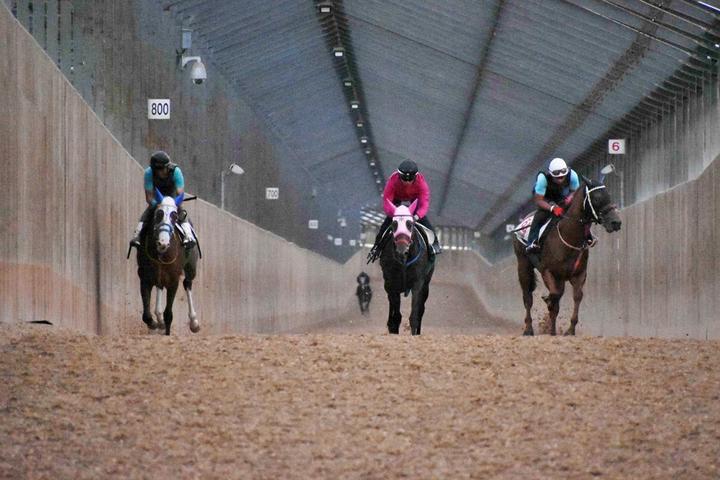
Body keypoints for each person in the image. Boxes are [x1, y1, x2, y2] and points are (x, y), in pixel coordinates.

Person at [369, 160, 441, 259]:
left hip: (414, 200)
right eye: (404, 179)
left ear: (415, 177)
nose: (407, 182)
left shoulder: (421, 183)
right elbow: (387, 202)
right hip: (396, 199)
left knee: (425, 222)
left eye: (410, 180)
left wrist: (417, 216)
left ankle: (435, 244)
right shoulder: (392, 181)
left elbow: (424, 205)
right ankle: (377, 247)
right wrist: (394, 214)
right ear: (399, 176)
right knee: (386, 224)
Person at [129, 150, 196, 249]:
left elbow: (180, 193)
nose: (160, 172)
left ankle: (188, 236)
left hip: (173, 199)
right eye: (157, 170)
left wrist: (171, 204)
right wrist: (157, 204)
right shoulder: (149, 173)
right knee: (149, 212)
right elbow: (149, 197)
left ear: (167, 167)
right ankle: (137, 235)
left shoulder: (176, 172)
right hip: (158, 200)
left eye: (162, 169)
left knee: (181, 212)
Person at [525, 157, 585, 254]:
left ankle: (587, 236)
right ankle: (531, 242)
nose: (560, 179)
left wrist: (570, 197)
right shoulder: (543, 179)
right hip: (545, 197)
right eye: (557, 178)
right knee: (540, 216)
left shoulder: (572, 175)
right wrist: (552, 208)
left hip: (561, 196)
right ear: (551, 174)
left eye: (563, 177)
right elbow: (538, 200)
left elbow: (576, 192)